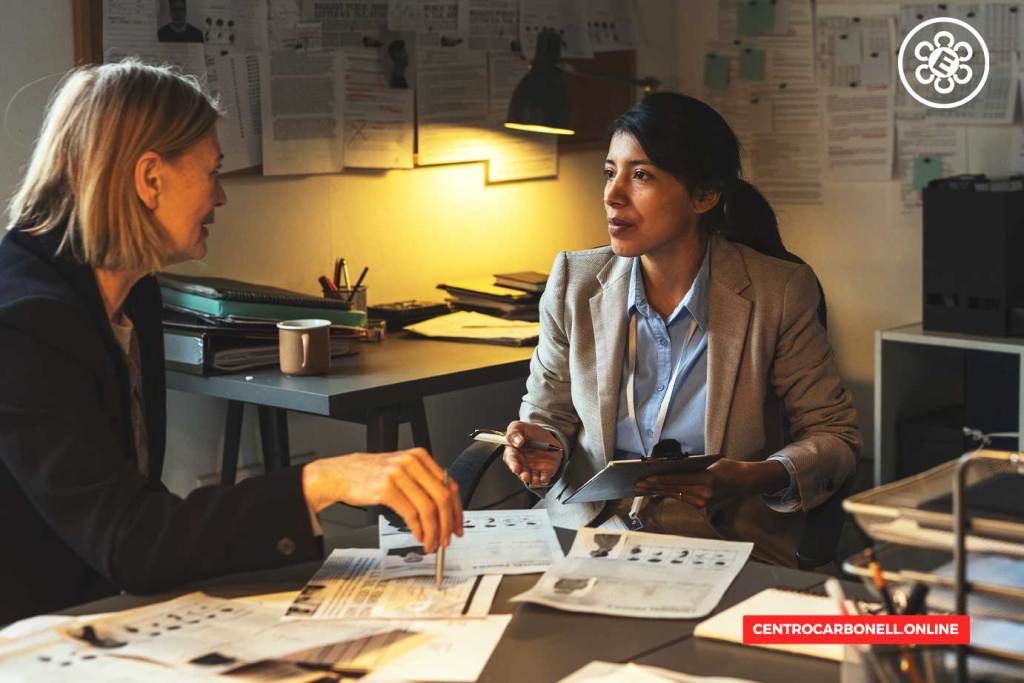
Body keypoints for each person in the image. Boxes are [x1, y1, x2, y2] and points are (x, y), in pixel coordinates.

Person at [0, 60, 462, 624]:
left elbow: (137, 521)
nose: (221, 197)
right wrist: (323, 480)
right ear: (150, 179)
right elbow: (129, 539)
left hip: (104, 610)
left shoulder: (135, 290)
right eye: (212, 172)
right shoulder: (24, 324)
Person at [501, 93, 861, 566]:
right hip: (588, 528)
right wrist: (542, 444)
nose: (612, 195)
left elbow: (834, 436)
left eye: (641, 176)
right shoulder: (574, 281)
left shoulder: (779, 291)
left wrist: (754, 476)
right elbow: (549, 413)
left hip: (720, 533)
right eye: (610, 172)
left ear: (704, 196)